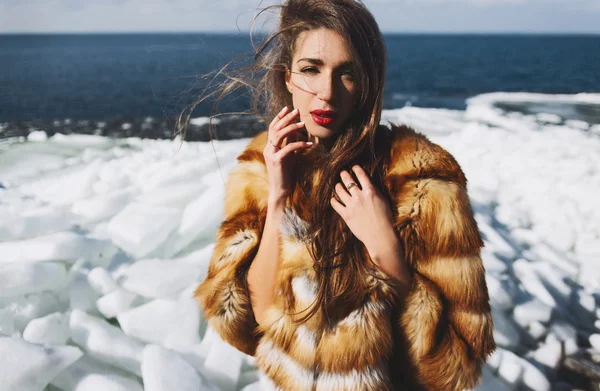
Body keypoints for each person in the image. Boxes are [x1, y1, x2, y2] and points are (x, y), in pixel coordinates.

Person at [193, 0, 495, 389]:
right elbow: (249, 325)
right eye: (310, 69)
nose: (327, 92)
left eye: (346, 73)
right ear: (287, 77)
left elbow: (457, 366)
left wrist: (386, 250)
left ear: (366, 83)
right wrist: (279, 199)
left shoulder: (421, 179)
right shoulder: (261, 169)